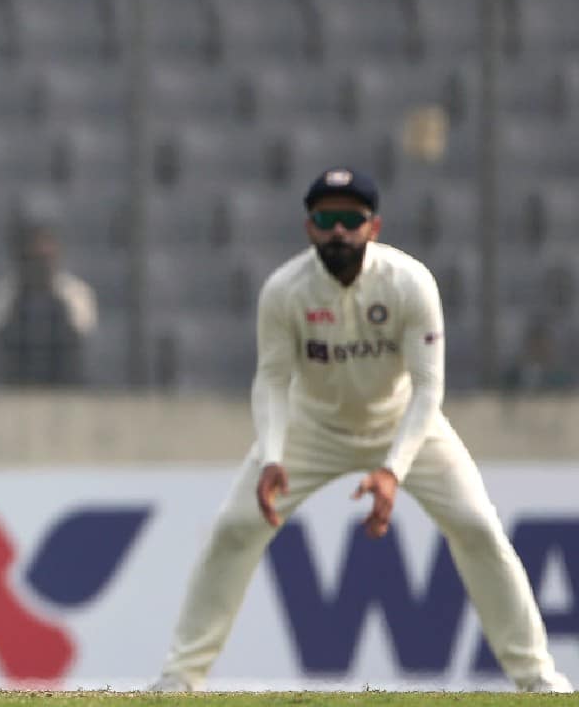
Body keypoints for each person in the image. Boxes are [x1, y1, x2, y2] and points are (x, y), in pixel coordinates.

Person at [150, 168, 573, 693]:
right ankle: (180, 678)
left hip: (401, 422)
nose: (338, 231)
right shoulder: (285, 290)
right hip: (312, 427)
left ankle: (537, 678)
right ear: (309, 227)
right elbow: (272, 381)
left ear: (374, 227)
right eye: (326, 218)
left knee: (477, 527)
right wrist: (273, 456)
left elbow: (427, 389)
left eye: (350, 219)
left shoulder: (408, 282)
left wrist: (392, 470)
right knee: (235, 528)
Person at [0, 224, 97, 385]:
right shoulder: (3, 293)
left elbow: (81, 334)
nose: (40, 265)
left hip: (65, 384)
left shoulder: (76, 292)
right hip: (15, 384)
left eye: (44, 258)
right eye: (33, 258)